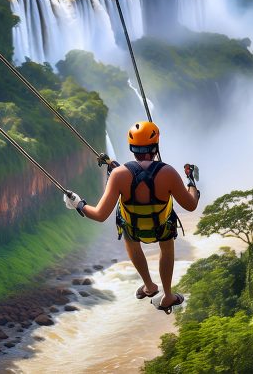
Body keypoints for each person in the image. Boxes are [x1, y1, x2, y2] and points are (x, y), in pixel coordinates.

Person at [64, 121, 200, 314]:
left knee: (130, 237)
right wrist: (191, 182)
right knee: (166, 248)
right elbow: (191, 204)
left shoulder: (119, 175)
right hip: (162, 228)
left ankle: (149, 286)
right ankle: (168, 295)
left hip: (133, 229)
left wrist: (79, 204)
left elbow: (100, 214)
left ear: (131, 147)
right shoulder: (168, 172)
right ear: (156, 146)